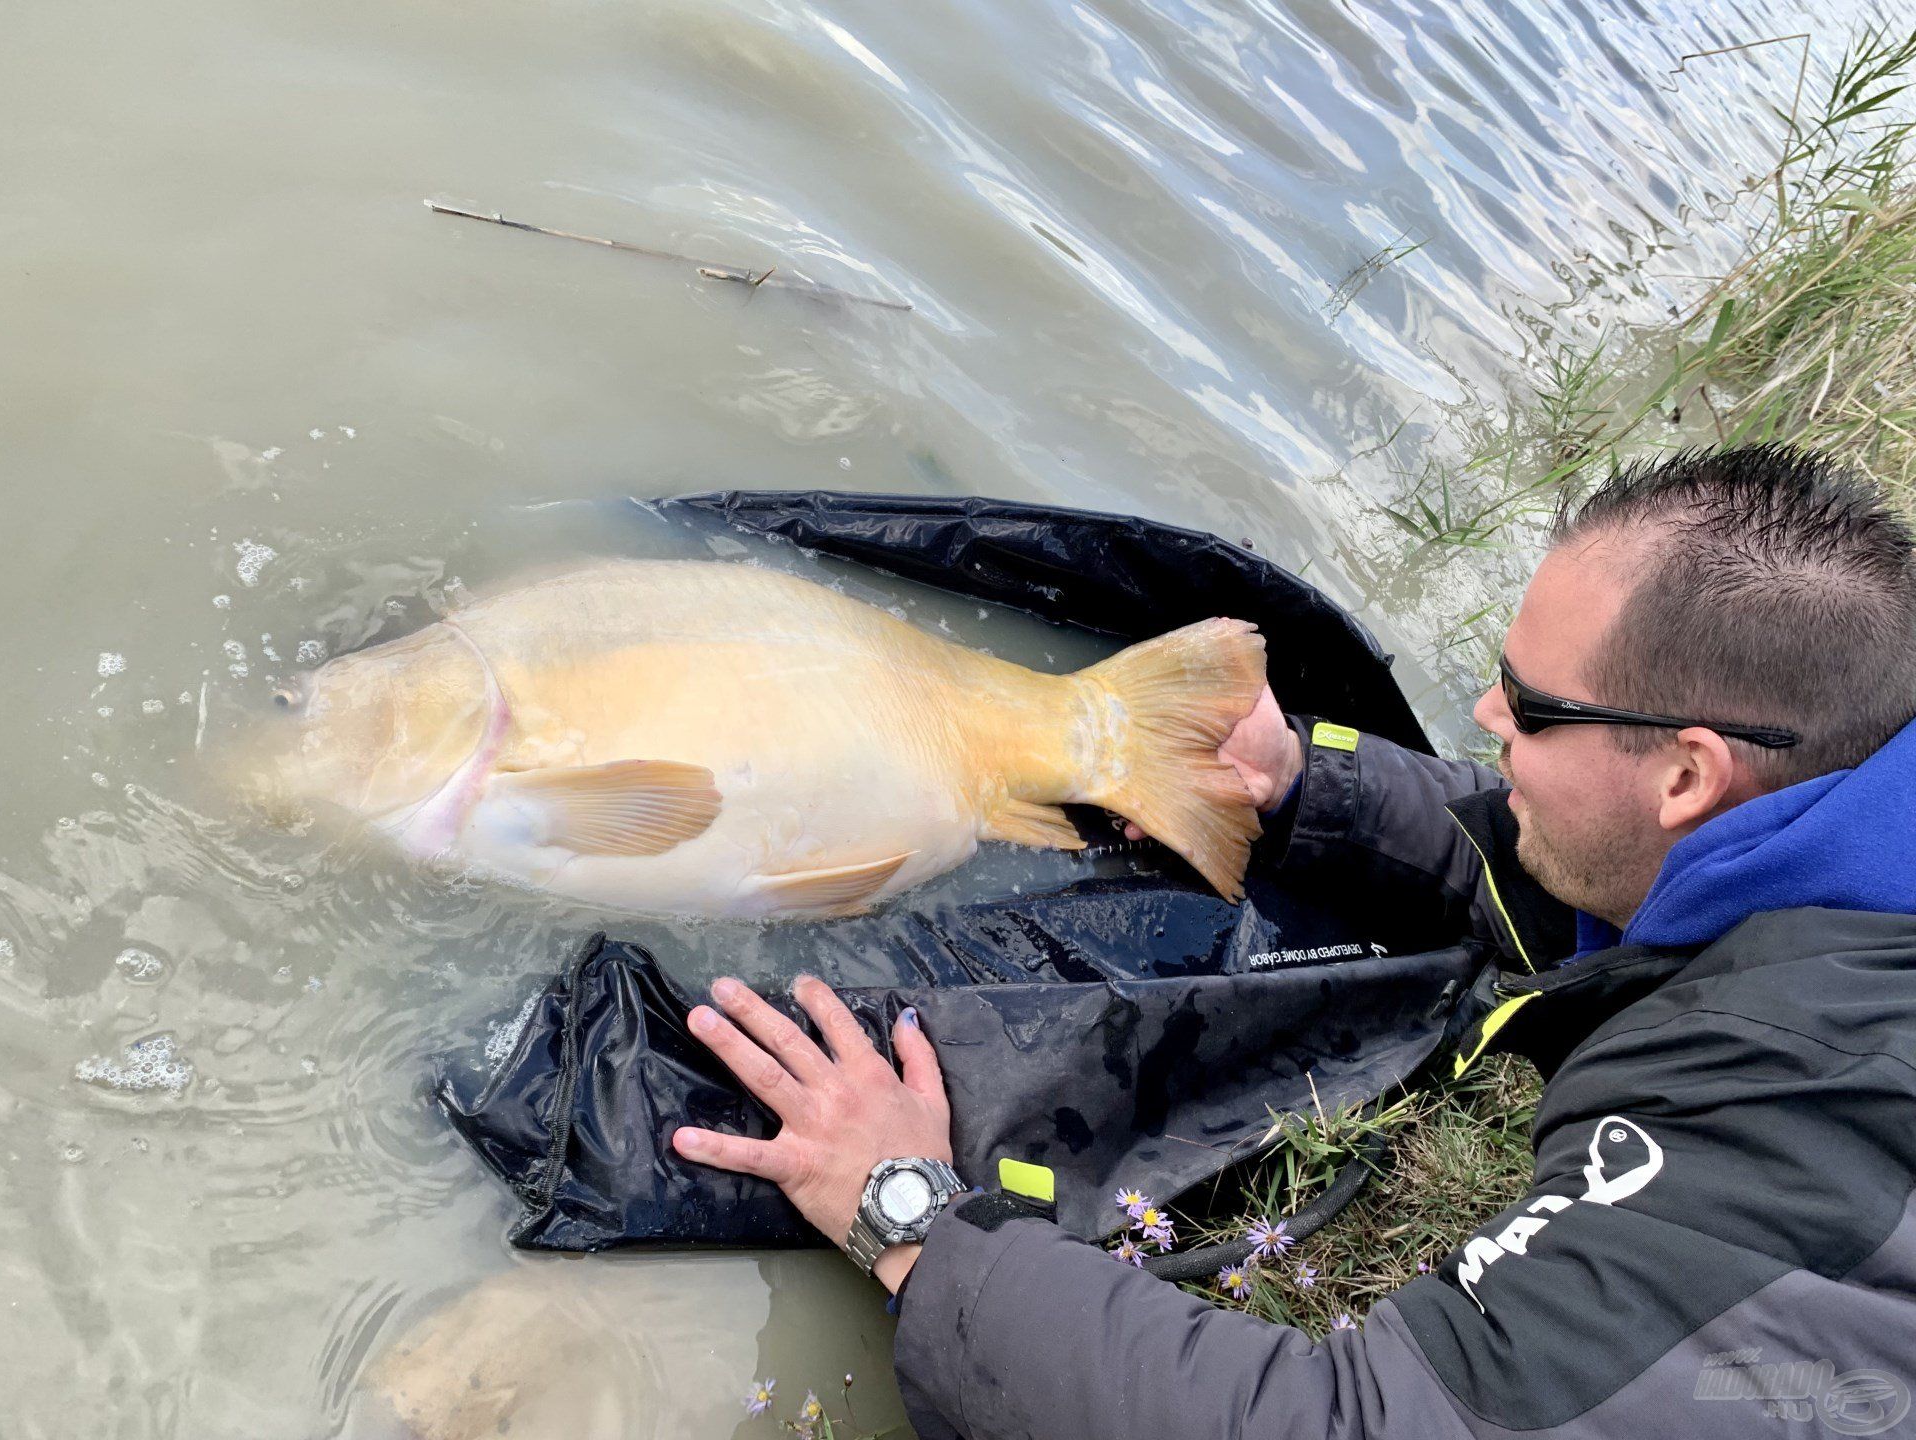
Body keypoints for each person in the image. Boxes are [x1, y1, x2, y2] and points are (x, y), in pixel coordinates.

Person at [669, 444, 1916, 1439]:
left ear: (1691, 774)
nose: (1485, 717)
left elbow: (1350, 1426)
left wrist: (914, 1225)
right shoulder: (1844, 842)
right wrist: (1296, 782)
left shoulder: (1788, 1110)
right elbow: (1597, 876)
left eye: (1528, 708)